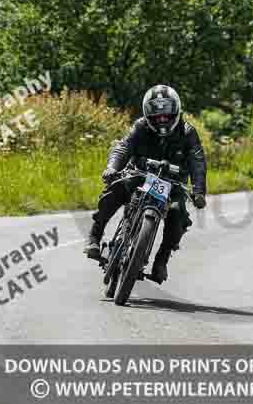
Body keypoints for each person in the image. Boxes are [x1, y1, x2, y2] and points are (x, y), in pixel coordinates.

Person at [84, 85, 207, 283]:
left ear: (176, 110)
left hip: (172, 183)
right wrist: (112, 168)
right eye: (156, 114)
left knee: (178, 213)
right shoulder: (140, 126)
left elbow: (197, 161)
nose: (162, 118)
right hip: (139, 175)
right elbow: (123, 147)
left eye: (166, 113)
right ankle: (94, 236)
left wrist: (199, 191)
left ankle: (161, 260)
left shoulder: (187, 132)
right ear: (147, 112)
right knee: (115, 189)